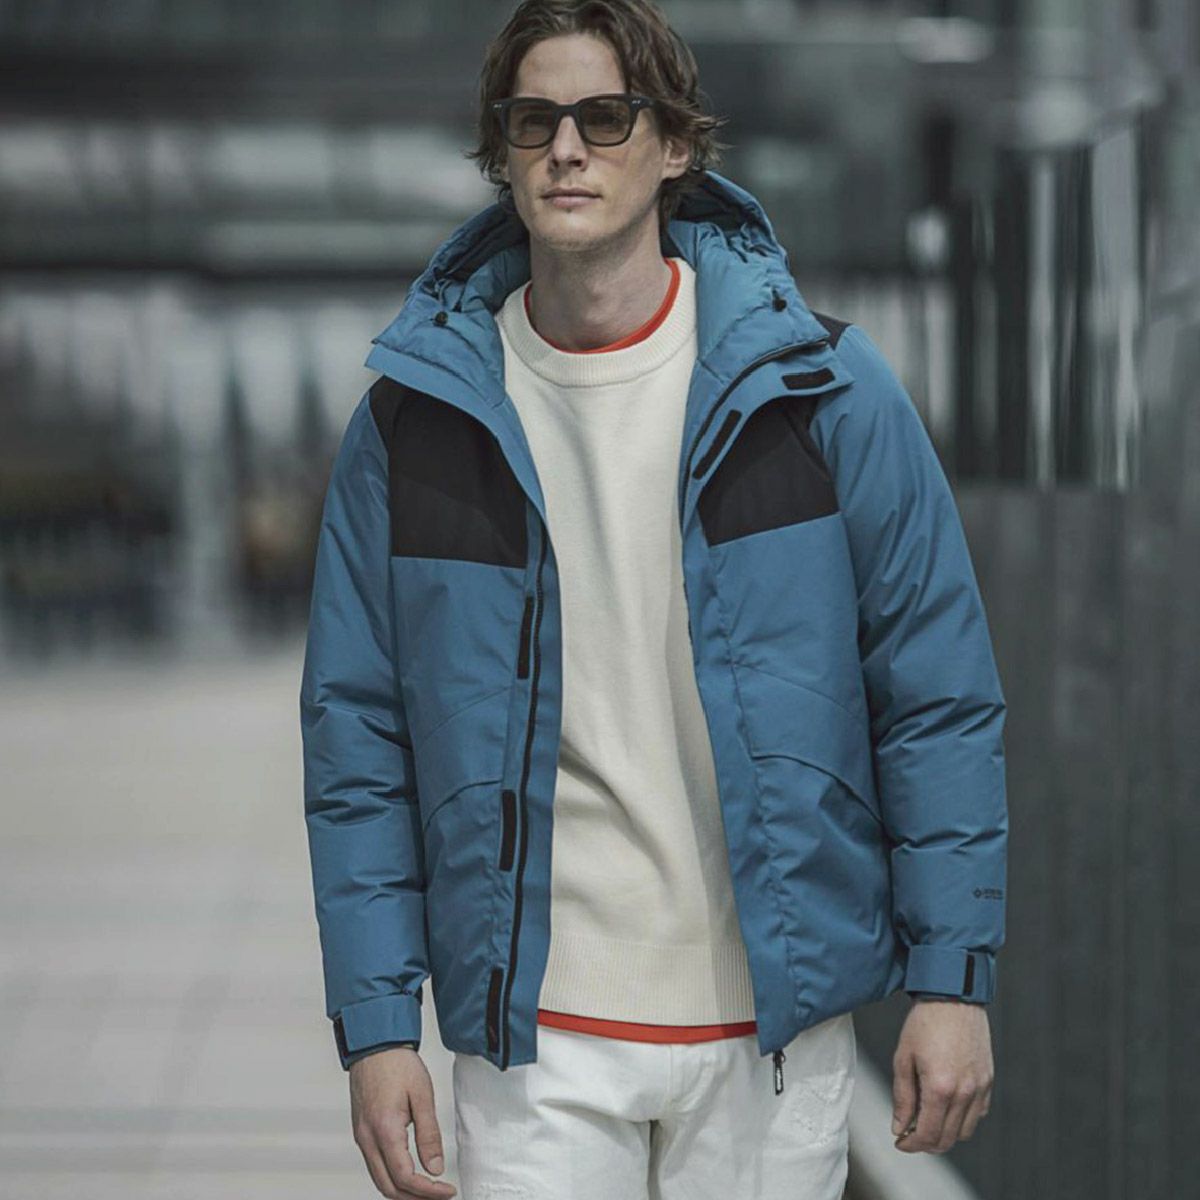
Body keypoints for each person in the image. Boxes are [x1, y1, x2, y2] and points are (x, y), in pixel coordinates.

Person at [299, 2, 1007, 1197]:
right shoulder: (415, 426)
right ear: (502, 151)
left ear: (675, 144)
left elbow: (935, 697)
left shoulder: (821, 395)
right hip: (535, 1036)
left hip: (769, 1024)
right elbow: (357, 740)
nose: (567, 150)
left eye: (605, 117)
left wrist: (953, 979)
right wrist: (376, 1027)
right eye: (534, 121)